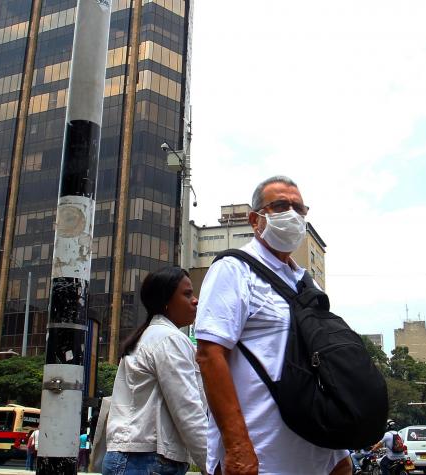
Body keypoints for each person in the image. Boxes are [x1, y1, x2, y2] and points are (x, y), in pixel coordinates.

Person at [195, 176, 351, 475]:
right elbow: (209, 355)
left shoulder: (306, 282)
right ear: (255, 219)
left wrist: (337, 452)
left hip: (317, 450)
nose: (292, 215)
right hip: (261, 456)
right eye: (280, 206)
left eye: (299, 208)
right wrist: (237, 446)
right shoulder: (234, 269)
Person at [103, 266, 208, 475]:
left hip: (135, 458)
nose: (195, 300)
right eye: (187, 294)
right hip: (145, 461)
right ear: (166, 301)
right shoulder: (168, 339)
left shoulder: (152, 335)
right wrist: (212, 465)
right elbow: (187, 409)